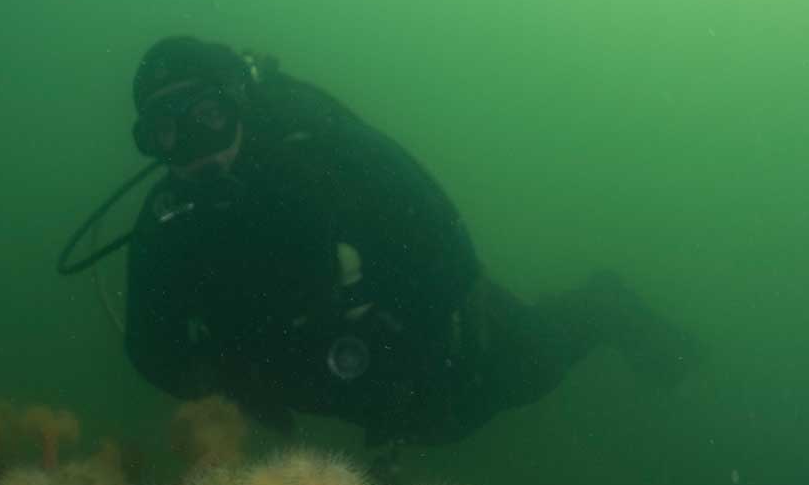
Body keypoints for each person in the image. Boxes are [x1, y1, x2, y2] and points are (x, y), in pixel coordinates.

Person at [121, 36, 695, 446]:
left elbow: (439, 235)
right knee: (428, 427)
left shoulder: (324, 157)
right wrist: (224, 382)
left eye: (207, 117)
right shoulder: (170, 221)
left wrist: (414, 341)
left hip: (427, 331)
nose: (195, 146)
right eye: (166, 133)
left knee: (523, 372)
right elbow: (150, 347)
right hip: (323, 366)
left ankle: (604, 304)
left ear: (237, 105)